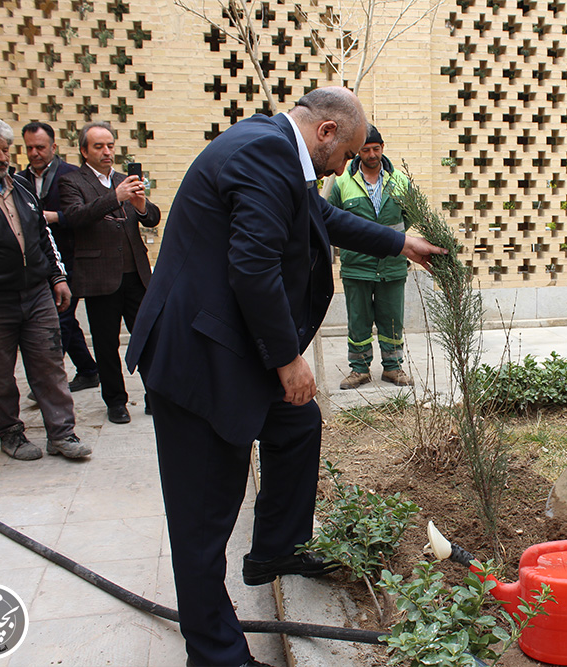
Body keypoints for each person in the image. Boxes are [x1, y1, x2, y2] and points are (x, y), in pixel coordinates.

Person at [124, 87, 445, 667]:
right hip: (202, 358)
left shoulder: (273, 147)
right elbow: (252, 266)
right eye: (346, 153)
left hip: (230, 344)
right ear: (325, 131)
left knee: (297, 426)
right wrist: (286, 360)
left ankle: (276, 550)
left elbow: (319, 216)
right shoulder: (265, 153)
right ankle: (215, 651)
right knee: (203, 518)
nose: (346, 165)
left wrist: (399, 240)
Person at [0, 116, 91, 461]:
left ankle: (62, 433)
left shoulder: (22, 188)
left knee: (49, 364)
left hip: (36, 293)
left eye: (5, 150)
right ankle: (10, 432)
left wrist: (58, 277)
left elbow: (43, 235)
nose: (1, 157)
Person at [59, 121, 160, 424]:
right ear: (83, 150)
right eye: (98, 146)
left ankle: (154, 394)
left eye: (110, 146)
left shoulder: (125, 179)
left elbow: (152, 218)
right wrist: (115, 197)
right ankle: (115, 400)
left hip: (136, 274)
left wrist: (141, 205)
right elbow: (75, 216)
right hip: (100, 276)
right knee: (106, 343)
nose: (106, 152)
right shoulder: (72, 181)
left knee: (148, 337)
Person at [328, 124, 414, 389]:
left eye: (376, 149)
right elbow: (331, 219)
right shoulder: (342, 182)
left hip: (392, 265)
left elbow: (411, 216)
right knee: (358, 321)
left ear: (382, 148)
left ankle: (393, 368)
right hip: (357, 267)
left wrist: (391, 243)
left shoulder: (400, 180)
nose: (372, 154)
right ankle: (359, 369)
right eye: (366, 150)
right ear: (358, 153)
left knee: (392, 320)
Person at [20, 121, 99, 393]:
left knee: (60, 318)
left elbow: (87, 213)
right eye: (29, 148)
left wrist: (58, 217)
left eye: (40, 147)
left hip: (73, 259)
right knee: (65, 317)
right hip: (40, 264)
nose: (34, 153)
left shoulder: (73, 175)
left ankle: (47, 381)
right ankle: (89, 370)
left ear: (53, 147)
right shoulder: (20, 181)